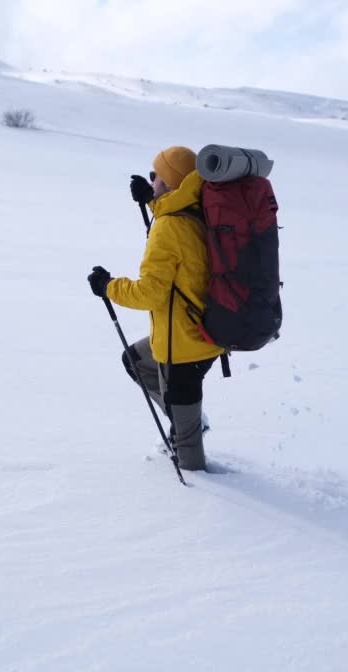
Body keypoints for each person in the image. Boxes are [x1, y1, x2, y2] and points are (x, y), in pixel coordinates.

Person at [88, 146, 223, 471]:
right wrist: (152, 201)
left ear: (172, 181)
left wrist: (108, 286)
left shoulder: (169, 227)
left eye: (157, 175)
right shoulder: (198, 208)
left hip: (183, 348)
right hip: (206, 331)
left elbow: (149, 294)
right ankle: (186, 421)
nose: (152, 178)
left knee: (188, 456)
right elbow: (176, 226)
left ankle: (203, 499)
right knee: (135, 360)